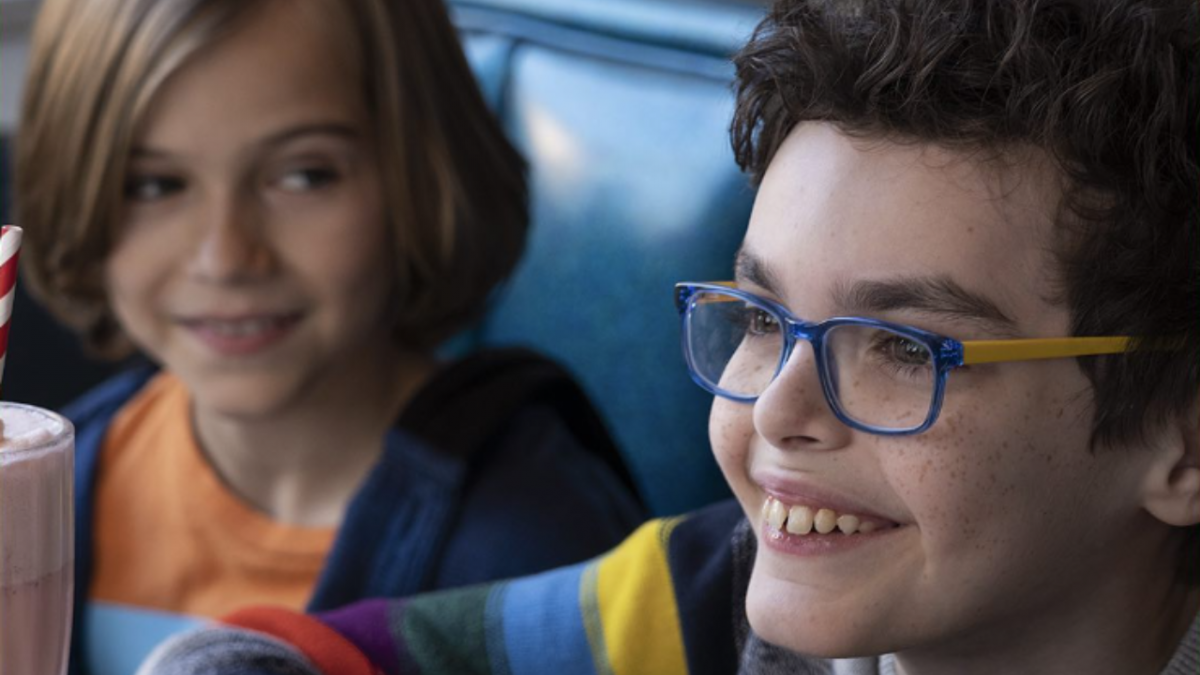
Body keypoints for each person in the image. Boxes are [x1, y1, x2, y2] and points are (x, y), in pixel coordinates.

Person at [137, 0, 1200, 673]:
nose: (778, 408)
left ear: (1181, 439)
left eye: (903, 347)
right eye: (763, 318)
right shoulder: (698, 605)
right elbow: (277, 654)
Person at [13, 0, 646, 672]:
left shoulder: (539, 553)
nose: (226, 257)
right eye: (154, 184)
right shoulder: (49, 490)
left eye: (304, 176)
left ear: (421, 174)